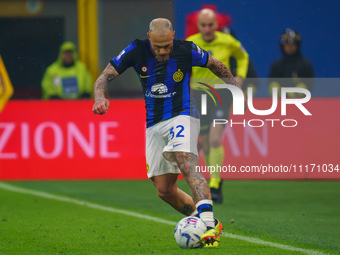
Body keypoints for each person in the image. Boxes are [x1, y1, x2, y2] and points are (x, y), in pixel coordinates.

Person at [92, 18, 244, 247]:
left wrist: (233, 85)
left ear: (173, 35)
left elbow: (215, 64)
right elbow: (104, 76)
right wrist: (100, 97)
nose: (162, 51)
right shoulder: (136, 49)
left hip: (183, 113)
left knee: (186, 161)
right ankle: (204, 219)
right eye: (157, 47)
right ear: (148, 38)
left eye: (166, 46)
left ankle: (209, 224)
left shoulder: (186, 49)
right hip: (154, 122)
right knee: (164, 190)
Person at [186, 9, 249, 203]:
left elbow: (243, 56)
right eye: (203, 25)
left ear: (216, 25)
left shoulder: (228, 41)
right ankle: (216, 181)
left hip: (222, 93)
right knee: (204, 143)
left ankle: (215, 183)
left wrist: (240, 77)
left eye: (210, 25)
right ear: (198, 26)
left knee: (214, 139)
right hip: (200, 94)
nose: (207, 29)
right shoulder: (191, 42)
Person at [268, 28, 314, 97]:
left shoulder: (305, 64)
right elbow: (272, 84)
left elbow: (308, 84)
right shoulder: (277, 65)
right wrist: (279, 93)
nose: (289, 47)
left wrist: (295, 93)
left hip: (301, 102)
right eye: (286, 44)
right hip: (280, 102)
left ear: (297, 45)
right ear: (282, 46)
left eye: (292, 44)